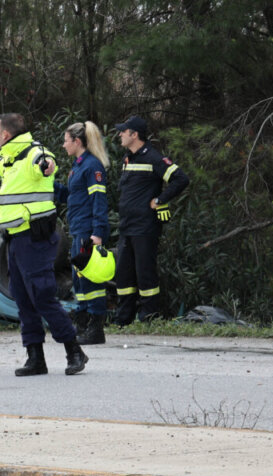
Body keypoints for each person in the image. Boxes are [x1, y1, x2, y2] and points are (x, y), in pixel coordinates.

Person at [0, 113, 88, 376]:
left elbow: (45, 162)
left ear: (5, 134)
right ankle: (35, 357)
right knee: (23, 298)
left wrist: (47, 166)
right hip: (15, 238)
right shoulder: (10, 159)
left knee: (42, 296)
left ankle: (74, 350)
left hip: (35, 237)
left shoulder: (33, 153)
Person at [112, 115, 189, 325]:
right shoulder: (128, 158)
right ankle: (123, 319)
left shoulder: (153, 158)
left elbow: (181, 179)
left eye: (123, 131)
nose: (119, 134)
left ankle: (150, 317)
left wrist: (160, 199)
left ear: (134, 135)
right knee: (123, 274)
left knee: (145, 273)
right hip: (127, 226)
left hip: (145, 227)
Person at [55, 120, 110, 345]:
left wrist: (97, 233)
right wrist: (50, 184)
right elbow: (72, 196)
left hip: (88, 233)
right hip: (79, 231)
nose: (63, 145)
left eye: (66, 141)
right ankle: (83, 325)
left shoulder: (91, 167)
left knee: (91, 283)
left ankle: (96, 330)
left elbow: (99, 202)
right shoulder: (78, 166)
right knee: (80, 281)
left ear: (77, 141)